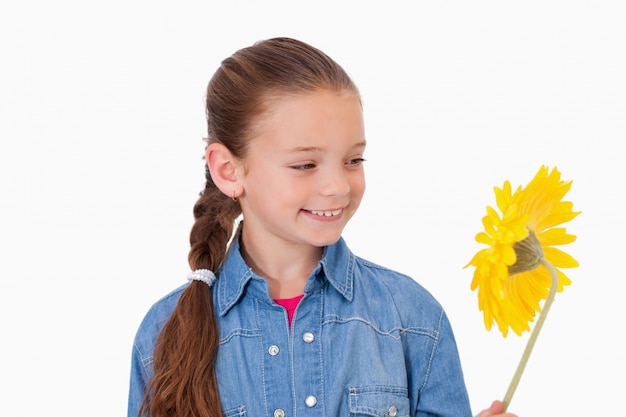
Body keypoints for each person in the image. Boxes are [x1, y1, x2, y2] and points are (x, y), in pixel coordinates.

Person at [127, 37, 518, 417]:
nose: (338, 186)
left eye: (353, 160)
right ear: (229, 171)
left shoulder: (413, 318)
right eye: (306, 165)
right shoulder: (163, 335)